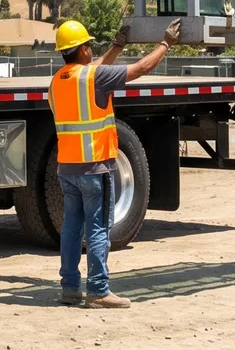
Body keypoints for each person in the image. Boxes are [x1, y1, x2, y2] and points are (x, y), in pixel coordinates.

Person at [48, 16, 180, 308]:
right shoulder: (93, 78)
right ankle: (98, 290)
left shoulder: (56, 83)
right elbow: (142, 68)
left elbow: (95, 72)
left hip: (67, 168)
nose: (91, 51)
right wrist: (165, 44)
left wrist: (116, 47)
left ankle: (70, 287)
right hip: (94, 167)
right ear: (81, 50)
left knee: (71, 229)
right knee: (97, 229)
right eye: (89, 46)